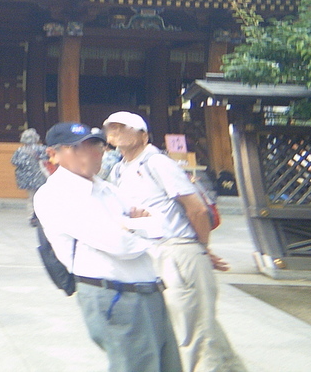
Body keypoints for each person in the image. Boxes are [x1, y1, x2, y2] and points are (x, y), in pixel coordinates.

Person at [103, 111, 246, 372]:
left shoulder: (157, 163)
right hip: (151, 252)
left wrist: (200, 249)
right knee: (196, 325)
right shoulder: (118, 170)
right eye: (112, 128)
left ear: (143, 135)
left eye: (124, 127)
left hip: (177, 249)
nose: (117, 132)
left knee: (194, 332)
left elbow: (197, 209)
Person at [34, 122, 181, 372]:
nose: (92, 153)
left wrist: (130, 226)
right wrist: (137, 227)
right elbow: (119, 244)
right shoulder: (56, 194)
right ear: (53, 154)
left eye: (97, 145)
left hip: (148, 291)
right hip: (114, 294)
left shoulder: (106, 189)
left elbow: (163, 224)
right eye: (78, 148)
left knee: (167, 365)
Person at [10, 128, 47, 226]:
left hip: (27, 178)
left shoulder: (20, 150)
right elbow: (47, 160)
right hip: (40, 176)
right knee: (42, 197)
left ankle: (31, 217)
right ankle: (40, 216)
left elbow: (14, 162)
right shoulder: (41, 149)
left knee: (31, 198)